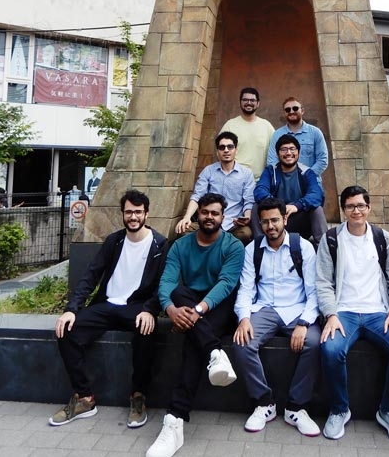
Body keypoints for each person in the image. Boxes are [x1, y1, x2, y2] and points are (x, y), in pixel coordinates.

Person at [49, 189, 168, 428]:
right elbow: (91, 275)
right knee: (67, 330)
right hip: (106, 305)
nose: (133, 217)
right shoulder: (114, 241)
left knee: (146, 332)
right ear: (122, 214)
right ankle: (84, 398)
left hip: (136, 307)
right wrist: (72, 308)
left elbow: (163, 283)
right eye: (128, 212)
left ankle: (138, 396)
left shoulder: (160, 245)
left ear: (146, 214)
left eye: (137, 212)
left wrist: (150, 309)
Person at [146, 193, 245, 457]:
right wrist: (171, 310)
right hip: (191, 306)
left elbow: (226, 284)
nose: (209, 217)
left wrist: (195, 314)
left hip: (219, 307)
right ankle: (215, 353)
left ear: (223, 217)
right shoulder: (181, 245)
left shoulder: (233, 246)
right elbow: (166, 282)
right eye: (205, 212)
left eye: (215, 213)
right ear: (197, 215)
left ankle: (174, 420)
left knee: (192, 342)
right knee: (178, 295)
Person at [316, 185, 389, 444]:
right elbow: (323, 282)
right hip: (344, 312)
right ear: (344, 210)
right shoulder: (331, 239)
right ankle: (339, 409)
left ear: (368, 208)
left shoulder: (383, 238)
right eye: (350, 206)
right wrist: (331, 314)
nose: (356, 210)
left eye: (360, 205)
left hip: (378, 313)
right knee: (330, 349)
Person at [232, 197, 321, 437]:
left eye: (274, 220)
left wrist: (304, 323)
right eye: (265, 222)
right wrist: (243, 318)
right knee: (242, 342)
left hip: (297, 309)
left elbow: (314, 292)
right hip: (264, 309)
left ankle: (297, 408)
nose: (270, 226)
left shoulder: (302, 247)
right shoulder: (253, 249)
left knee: (314, 343)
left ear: (284, 219)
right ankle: (264, 403)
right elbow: (246, 288)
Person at [176, 132, 255, 243]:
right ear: (217, 152)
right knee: (183, 230)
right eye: (222, 147)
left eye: (230, 147)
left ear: (236, 150)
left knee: (246, 234)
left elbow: (249, 201)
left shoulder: (246, 174)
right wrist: (187, 217)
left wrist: (246, 218)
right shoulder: (208, 171)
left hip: (233, 224)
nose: (226, 150)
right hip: (209, 221)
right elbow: (197, 196)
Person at [253, 134, 327, 243]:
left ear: (298, 152)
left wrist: (297, 206)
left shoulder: (307, 172)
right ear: (278, 154)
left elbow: (316, 194)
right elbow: (259, 191)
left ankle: (324, 247)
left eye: (292, 149)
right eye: (284, 149)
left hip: (299, 221)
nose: (288, 153)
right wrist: (278, 207)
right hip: (274, 221)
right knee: (256, 207)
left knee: (317, 209)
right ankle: (259, 244)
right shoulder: (270, 171)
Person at [266, 96, 328, 187]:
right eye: (287, 109)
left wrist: (306, 176)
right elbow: (272, 161)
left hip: (311, 185)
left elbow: (323, 160)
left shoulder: (315, 133)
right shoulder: (277, 135)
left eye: (295, 108)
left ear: (302, 111)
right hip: (286, 185)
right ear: (284, 113)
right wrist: (288, 177)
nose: (291, 111)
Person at [220, 87, 275, 181]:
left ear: (258, 103)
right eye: (245, 100)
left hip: (259, 182)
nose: (249, 103)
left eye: (252, 100)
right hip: (234, 180)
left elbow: (275, 151)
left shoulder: (266, 126)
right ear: (240, 102)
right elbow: (220, 152)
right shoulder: (230, 125)